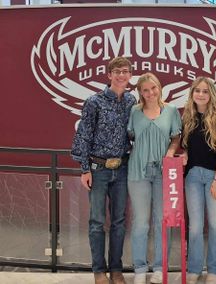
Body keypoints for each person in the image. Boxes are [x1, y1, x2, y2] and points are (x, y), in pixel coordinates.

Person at [71, 57, 136, 284]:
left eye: (125, 71)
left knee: (119, 221)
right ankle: (99, 270)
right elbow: (84, 135)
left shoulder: (131, 100)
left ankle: (116, 269)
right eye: (117, 71)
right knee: (97, 221)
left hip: (122, 168)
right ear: (109, 75)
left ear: (130, 76)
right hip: (98, 169)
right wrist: (84, 169)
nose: (121, 75)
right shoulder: (94, 102)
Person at [127, 72, 182, 284]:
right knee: (140, 222)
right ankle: (140, 269)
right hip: (138, 172)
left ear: (159, 88)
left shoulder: (171, 111)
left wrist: (170, 152)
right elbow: (130, 137)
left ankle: (160, 268)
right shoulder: (134, 111)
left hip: (163, 173)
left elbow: (176, 137)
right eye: (145, 90)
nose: (150, 93)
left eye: (153, 88)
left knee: (162, 221)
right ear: (140, 93)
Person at [181, 77, 216, 284]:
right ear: (192, 94)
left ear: (211, 94)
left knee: (215, 224)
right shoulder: (187, 118)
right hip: (192, 177)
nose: (200, 94)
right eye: (197, 91)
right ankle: (194, 268)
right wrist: (184, 155)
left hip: (215, 176)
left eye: (205, 91)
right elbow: (187, 147)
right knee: (194, 226)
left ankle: (214, 269)